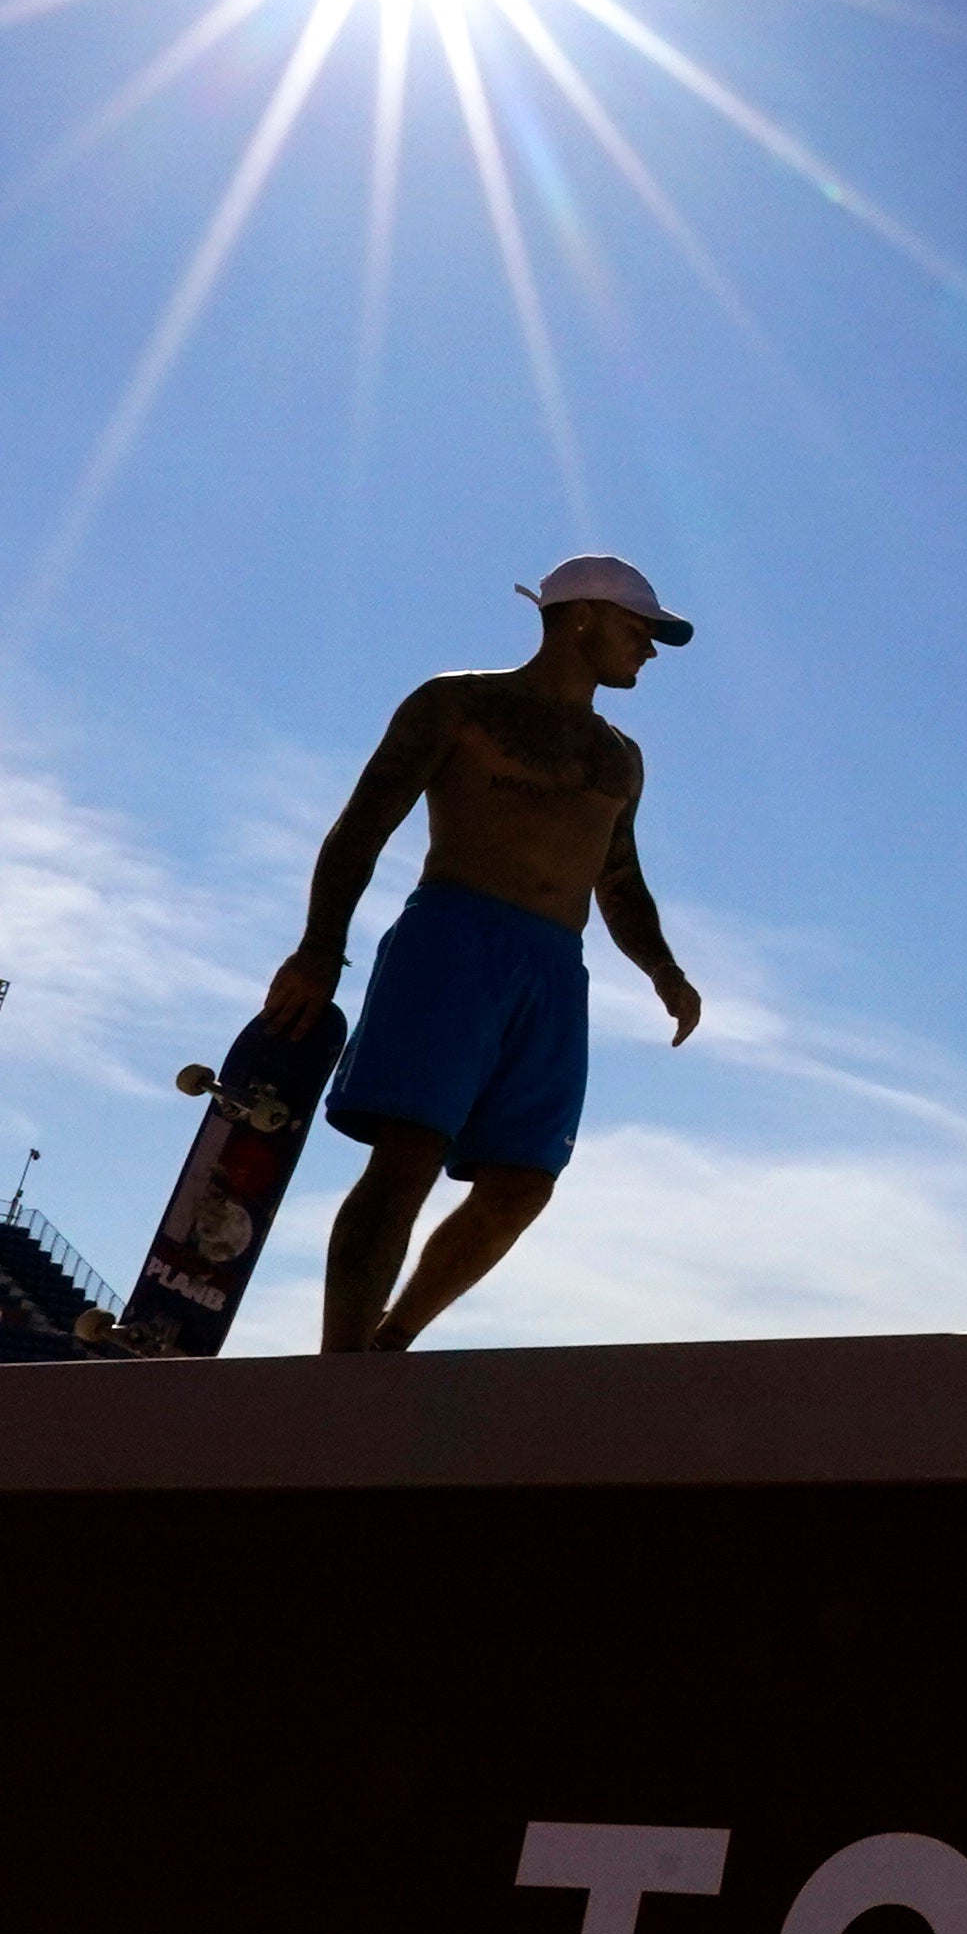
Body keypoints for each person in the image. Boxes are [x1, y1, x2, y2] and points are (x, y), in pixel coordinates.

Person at [270, 556, 709, 1352]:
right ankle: (337, 1369)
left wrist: (664, 970)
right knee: (408, 1156)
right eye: (637, 628)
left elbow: (620, 876)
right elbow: (363, 825)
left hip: (553, 968)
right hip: (452, 939)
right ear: (580, 617)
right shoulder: (457, 703)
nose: (649, 647)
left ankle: (390, 1339)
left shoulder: (620, 757)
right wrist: (316, 950)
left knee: (523, 1183)